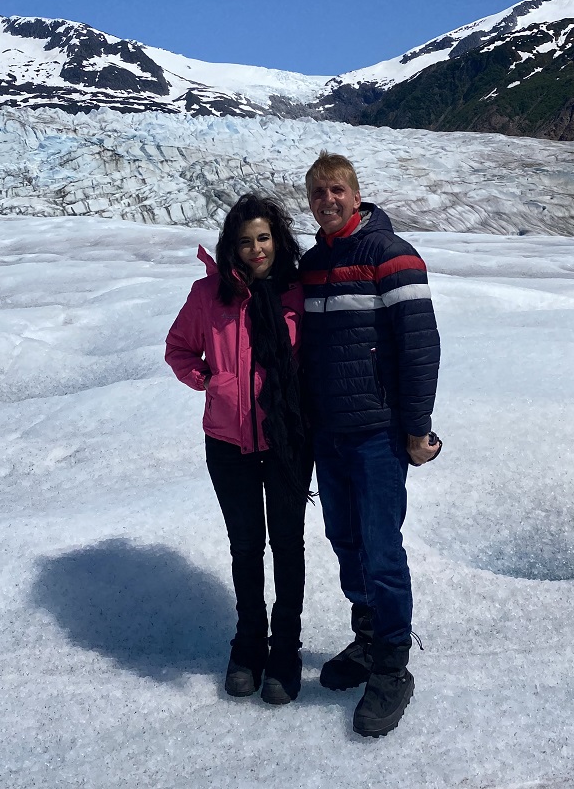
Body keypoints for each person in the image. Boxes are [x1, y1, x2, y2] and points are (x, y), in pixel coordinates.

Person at [298, 152, 441, 738]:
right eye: (316, 193)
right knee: (345, 540)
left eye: (336, 190)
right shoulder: (311, 265)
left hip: (378, 434)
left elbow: (419, 346)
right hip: (329, 434)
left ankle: (392, 665)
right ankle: (366, 639)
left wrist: (415, 426)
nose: (327, 200)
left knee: (382, 548)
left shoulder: (392, 255)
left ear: (356, 195)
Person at [165, 193, 311, 705]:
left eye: (264, 238)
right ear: (233, 244)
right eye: (246, 241)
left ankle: (286, 650)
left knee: (287, 547)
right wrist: (212, 380)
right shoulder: (208, 295)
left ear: (278, 240)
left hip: (288, 442)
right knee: (246, 548)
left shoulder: (298, 290)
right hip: (228, 444)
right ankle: (248, 644)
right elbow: (178, 348)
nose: (256, 249)